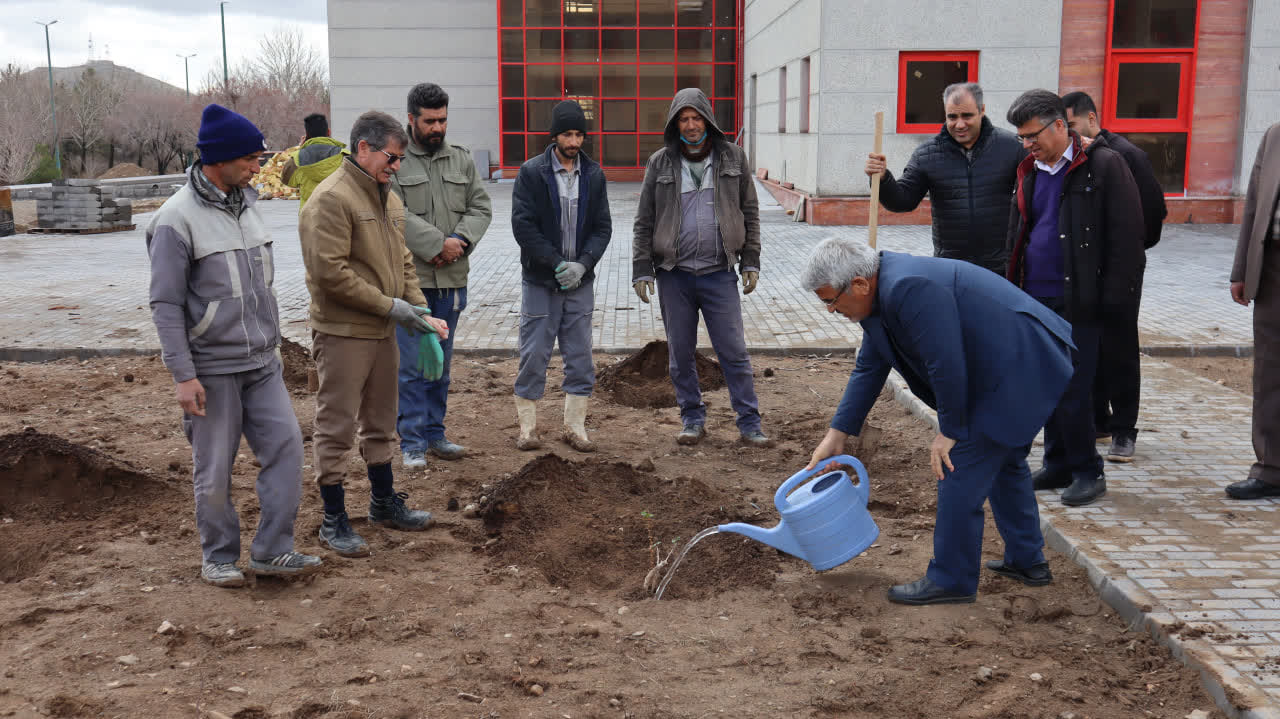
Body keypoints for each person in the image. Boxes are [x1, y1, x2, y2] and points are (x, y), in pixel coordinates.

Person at [802, 238, 1075, 605]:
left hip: (1020, 364)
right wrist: (838, 433)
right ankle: (1028, 561)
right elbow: (870, 366)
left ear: (860, 284)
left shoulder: (908, 287)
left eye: (830, 301)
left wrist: (950, 430)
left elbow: (944, 362)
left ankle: (952, 579)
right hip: (1004, 364)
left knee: (957, 465)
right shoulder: (880, 296)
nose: (831, 311)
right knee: (1005, 460)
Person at [146, 103, 322, 587]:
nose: (257, 166)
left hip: (262, 363)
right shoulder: (174, 220)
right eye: (249, 158)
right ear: (218, 159)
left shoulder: (249, 207)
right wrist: (183, 375)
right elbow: (165, 303)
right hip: (211, 368)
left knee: (287, 449)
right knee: (215, 469)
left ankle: (272, 550)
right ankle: (219, 556)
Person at [298, 110, 450, 557]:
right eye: (391, 157)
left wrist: (419, 310)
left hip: (384, 330)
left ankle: (384, 504)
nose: (396, 166)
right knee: (337, 425)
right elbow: (330, 274)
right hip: (344, 333)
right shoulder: (330, 200)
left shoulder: (387, 197)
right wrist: (392, 307)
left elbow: (402, 260)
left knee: (382, 421)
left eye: (400, 159)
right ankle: (333, 518)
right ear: (362, 148)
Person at [1005, 89, 1146, 507]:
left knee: (1074, 389)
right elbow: (1019, 230)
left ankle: (1088, 470)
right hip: (1035, 296)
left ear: (1061, 126)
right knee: (1047, 384)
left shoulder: (1103, 165)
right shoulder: (1029, 170)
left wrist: (1114, 301)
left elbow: (1127, 239)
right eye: (1022, 138)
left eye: (1033, 136)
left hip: (1083, 299)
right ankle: (1058, 463)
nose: (1028, 145)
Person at [632, 87, 773, 448]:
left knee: (734, 352)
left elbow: (750, 213)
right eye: (684, 119)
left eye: (696, 118)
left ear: (707, 119)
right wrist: (642, 268)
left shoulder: (733, 159)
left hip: (718, 274)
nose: (691, 125)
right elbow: (644, 220)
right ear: (675, 123)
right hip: (674, 276)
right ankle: (692, 419)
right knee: (680, 355)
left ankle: (749, 422)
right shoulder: (660, 163)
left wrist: (751, 261)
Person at [1062, 91, 1168, 463]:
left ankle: (1124, 430)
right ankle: (1099, 420)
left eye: (1071, 126)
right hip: (1082, 270)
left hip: (1121, 269)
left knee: (1120, 348)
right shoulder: (1071, 158)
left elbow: (1153, 213)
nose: (1069, 134)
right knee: (1088, 344)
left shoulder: (1127, 156)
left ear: (1092, 119)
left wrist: (1130, 254)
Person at [390, 83, 493, 467]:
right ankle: (412, 441)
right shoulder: (397, 160)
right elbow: (394, 213)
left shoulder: (461, 161)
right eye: (430, 121)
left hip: (451, 280)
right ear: (412, 119)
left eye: (442, 120)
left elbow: (480, 207)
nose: (437, 128)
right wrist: (437, 244)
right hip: (411, 282)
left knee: (441, 364)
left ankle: (435, 433)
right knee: (413, 364)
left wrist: (459, 241)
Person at [510, 100, 612, 452]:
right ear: (554, 136)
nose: (574, 141)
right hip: (541, 280)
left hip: (580, 282)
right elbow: (523, 225)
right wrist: (555, 263)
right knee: (535, 352)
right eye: (567, 134)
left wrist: (583, 264)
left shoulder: (594, 175)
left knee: (580, 354)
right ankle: (527, 428)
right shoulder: (532, 173)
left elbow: (602, 227)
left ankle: (575, 427)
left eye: (579, 134)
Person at [864, 82, 1024, 274]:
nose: (960, 124)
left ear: (982, 110)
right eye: (952, 117)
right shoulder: (927, 154)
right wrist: (883, 179)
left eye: (967, 116)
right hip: (950, 267)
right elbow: (902, 201)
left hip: (1001, 266)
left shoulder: (1012, 147)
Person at [1226, 121, 1280, 500]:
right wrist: (1242, 268)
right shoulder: (1275, 135)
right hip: (1273, 265)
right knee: (1270, 373)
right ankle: (1271, 469)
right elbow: (1254, 205)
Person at [282, 113, 346, 212]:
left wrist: (300, 149)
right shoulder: (345, 157)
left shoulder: (297, 159)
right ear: (328, 132)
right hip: (339, 219)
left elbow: (286, 179)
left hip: (309, 221)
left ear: (307, 135)